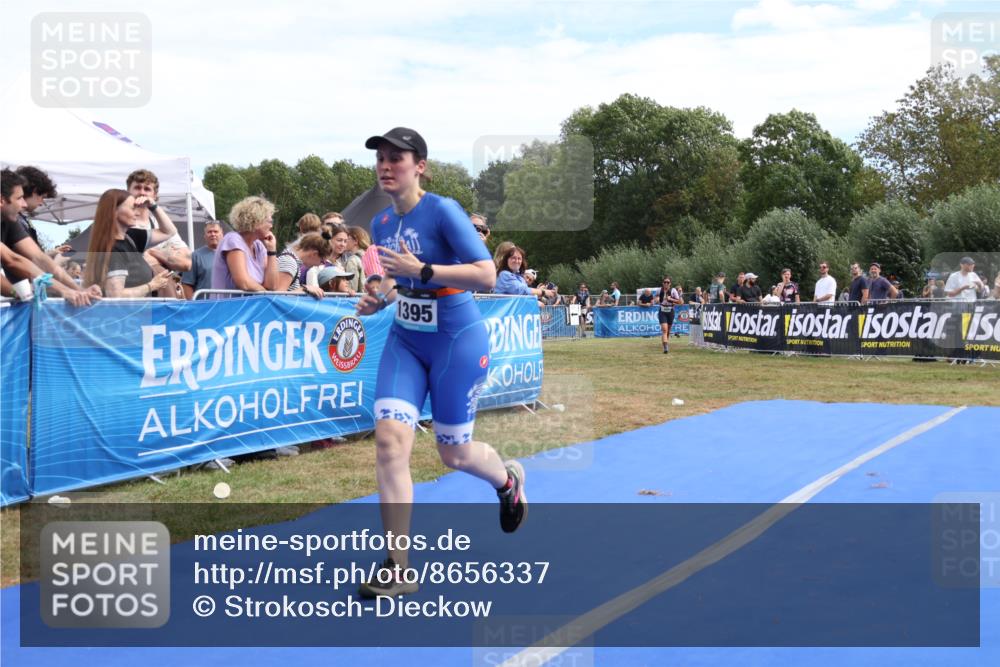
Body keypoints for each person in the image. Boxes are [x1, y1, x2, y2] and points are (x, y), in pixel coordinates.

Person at [353, 127, 527, 598]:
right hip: (406, 341)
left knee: (454, 454)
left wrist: (424, 270)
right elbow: (396, 284)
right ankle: (397, 565)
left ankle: (507, 480)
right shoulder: (382, 224)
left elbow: (486, 274)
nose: (386, 166)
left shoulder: (444, 210)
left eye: (397, 158)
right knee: (389, 442)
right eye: (381, 159)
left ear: (420, 166)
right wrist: (380, 300)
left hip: (456, 340)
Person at [1, 169, 99, 305]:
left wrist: (80, 290)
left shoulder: (10, 220)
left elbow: (39, 257)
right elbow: (13, 260)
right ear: (1, 200)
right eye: (19, 198)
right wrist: (63, 290)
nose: (23, 204)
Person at [83, 189, 175, 297]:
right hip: (126, 313)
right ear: (114, 211)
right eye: (133, 208)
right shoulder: (114, 248)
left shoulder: (130, 237)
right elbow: (116, 295)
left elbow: (169, 231)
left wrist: (153, 206)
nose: (138, 212)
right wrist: (152, 285)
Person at [126, 169, 192, 272]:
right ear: (128, 192)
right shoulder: (119, 224)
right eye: (137, 188)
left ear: (155, 195)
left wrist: (153, 252)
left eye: (147, 189)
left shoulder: (161, 225)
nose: (142, 192)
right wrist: (166, 255)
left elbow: (186, 263)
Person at [211, 196, 279, 292]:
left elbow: (272, 285)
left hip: (248, 305)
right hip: (228, 305)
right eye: (270, 221)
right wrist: (266, 295)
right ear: (257, 221)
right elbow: (244, 282)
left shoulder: (259, 246)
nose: (271, 225)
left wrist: (272, 251)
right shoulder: (233, 240)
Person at [275, 232, 331, 299]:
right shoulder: (289, 262)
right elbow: (277, 296)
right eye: (322, 261)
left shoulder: (293, 261)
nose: (319, 265)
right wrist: (304, 289)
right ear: (314, 254)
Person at [181, 221, 222, 299]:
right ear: (205, 236)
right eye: (209, 232)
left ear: (222, 234)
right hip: (204, 306)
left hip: (228, 304)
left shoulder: (230, 254)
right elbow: (187, 284)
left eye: (216, 232)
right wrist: (193, 305)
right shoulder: (195, 256)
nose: (213, 234)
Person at [658, 277, 683, 353]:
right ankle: (665, 348)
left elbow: (680, 302)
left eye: (668, 282)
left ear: (670, 284)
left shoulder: (673, 291)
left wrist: (671, 299)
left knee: (668, 330)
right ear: (663, 283)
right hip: (662, 312)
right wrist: (657, 300)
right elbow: (655, 298)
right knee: (664, 329)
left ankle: (666, 342)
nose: (666, 283)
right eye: (665, 282)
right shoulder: (660, 290)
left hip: (670, 312)